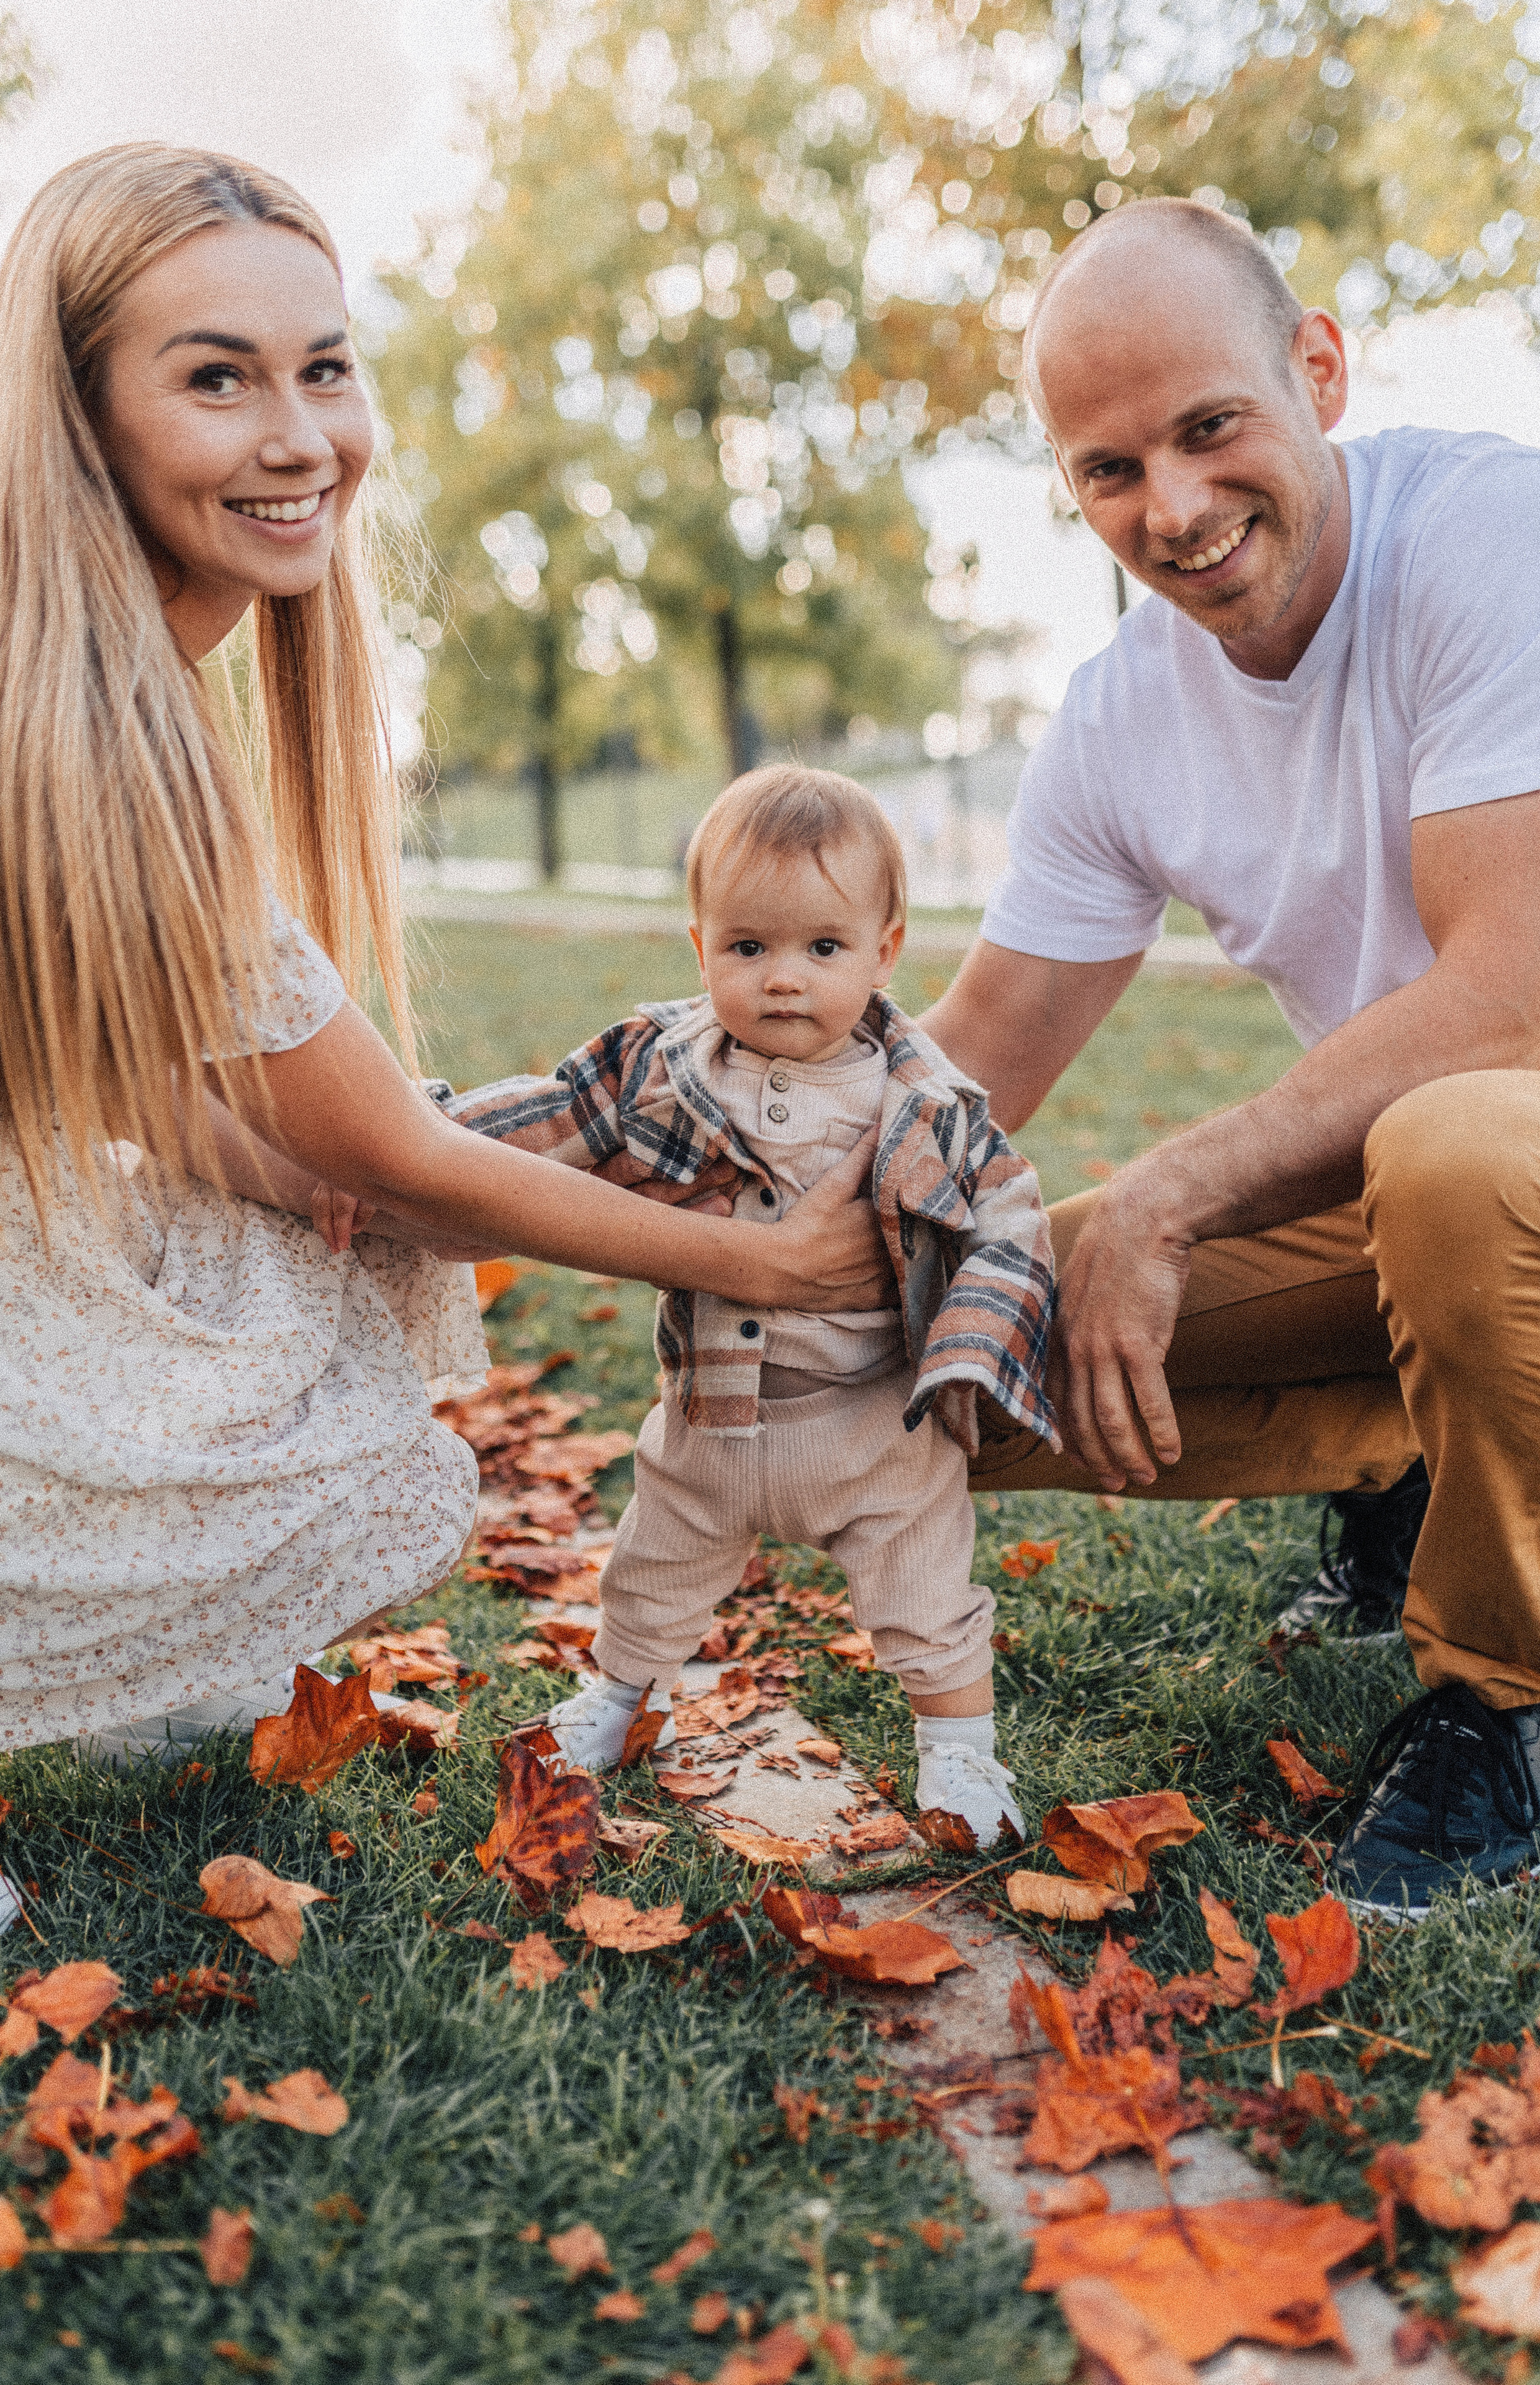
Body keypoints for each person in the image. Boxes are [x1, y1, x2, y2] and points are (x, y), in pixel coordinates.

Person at [0, 145, 890, 1791]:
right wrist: (774, 1268)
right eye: (216, 379)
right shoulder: (94, 738)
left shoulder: (76, 686)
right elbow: (398, 1160)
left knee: (303, 1231)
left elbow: (127, 1085)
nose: (300, 437)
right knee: (340, 1348)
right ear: (79, 416)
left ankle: (113, 1617)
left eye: (323, 369)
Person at [918, 194, 1540, 1922]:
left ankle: (1523, 1696)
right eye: (1109, 469)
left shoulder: (1505, 537)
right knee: (910, 1348)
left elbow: (1520, 1005)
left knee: (1460, 1154)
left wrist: (1176, 1190)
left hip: (1533, 1176)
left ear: (1318, 369)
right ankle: (1431, 1451)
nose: (1177, 509)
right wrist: (577, 1171)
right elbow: (968, 1063)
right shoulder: (1122, 714)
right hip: (1425, 1231)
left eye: (1211, 429)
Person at [433, 766, 1061, 1848]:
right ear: (700, 948)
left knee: (927, 1599)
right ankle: (622, 1698)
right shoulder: (662, 1069)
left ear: (885, 951)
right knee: (651, 1569)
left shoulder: (927, 1106)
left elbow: (1013, 1221)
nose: (784, 980)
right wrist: (424, 1136)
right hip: (710, 1417)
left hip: (873, 1422)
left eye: (823, 949)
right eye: (748, 948)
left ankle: (958, 1755)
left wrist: (974, 1351)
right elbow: (545, 1119)